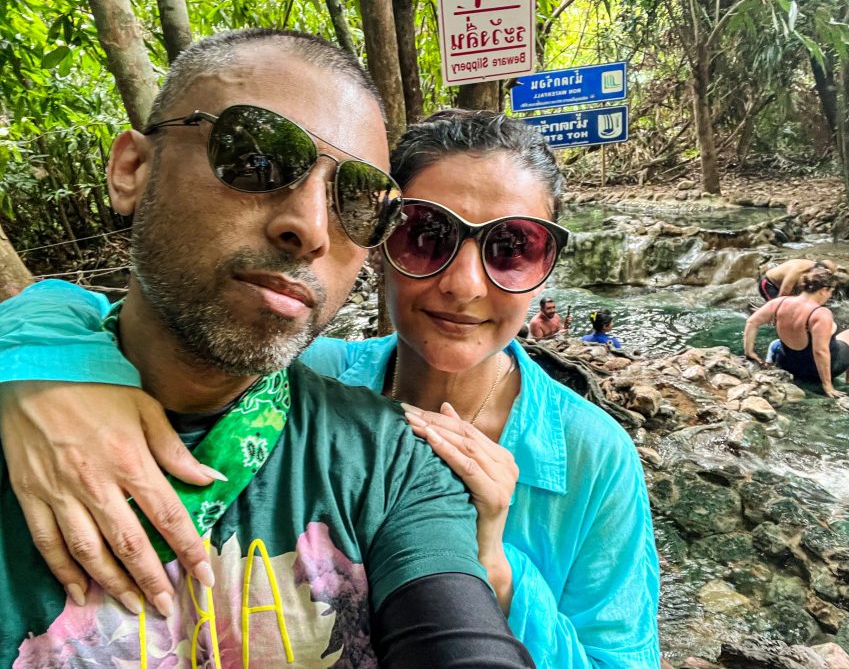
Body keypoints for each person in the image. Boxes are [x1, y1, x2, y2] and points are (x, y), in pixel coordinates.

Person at [0, 110, 661, 667]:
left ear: (545, 269)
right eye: (427, 236)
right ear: (374, 240)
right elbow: (128, 315)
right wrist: (47, 377)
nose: (464, 284)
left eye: (512, 248)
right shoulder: (309, 374)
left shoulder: (592, 457)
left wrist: (498, 575)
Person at [743, 267, 849, 397]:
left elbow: (752, 322)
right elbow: (820, 351)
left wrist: (749, 352)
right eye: (831, 292)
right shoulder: (820, 314)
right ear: (824, 290)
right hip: (818, 370)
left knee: (777, 343)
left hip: (787, 364)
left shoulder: (779, 302)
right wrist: (828, 386)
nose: (830, 296)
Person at [758, 258, 837, 301]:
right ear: (819, 269)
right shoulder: (798, 270)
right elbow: (783, 294)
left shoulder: (814, 271)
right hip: (769, 284)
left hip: (783, 286)